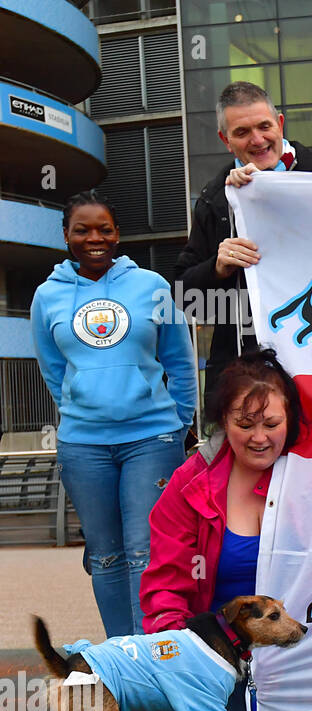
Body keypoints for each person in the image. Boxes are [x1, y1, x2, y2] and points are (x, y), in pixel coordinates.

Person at [32, 191, 197, 638]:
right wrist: (80, 408)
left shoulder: (150, 286)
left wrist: (177, 426)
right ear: (66, 235)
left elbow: (180, 363)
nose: (94, 238)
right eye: (82, 229)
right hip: (84, 447)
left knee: (145, 552)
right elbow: (53, 370)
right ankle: (123, 659)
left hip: (151, 440)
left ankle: (153, 659)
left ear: (118, 234)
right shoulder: (47, 296)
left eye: (104, 228)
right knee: (105, 556)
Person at [140, 347, 303, 711]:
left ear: (291, 421)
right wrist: (178, 659)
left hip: (302, 653)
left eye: (271, 423)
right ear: (222, 422)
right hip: (219, 659)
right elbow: (164, 584)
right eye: (244, 424)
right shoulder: (187, 484)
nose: (259, 438)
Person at [173, 82, 312, 419]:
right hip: (243, 372)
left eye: (264, 127)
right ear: (226, 139)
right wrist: (217, 267)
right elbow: (184, 297)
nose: (258, 139)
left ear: (279, 123)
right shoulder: (214, 197)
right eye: (242, 131)